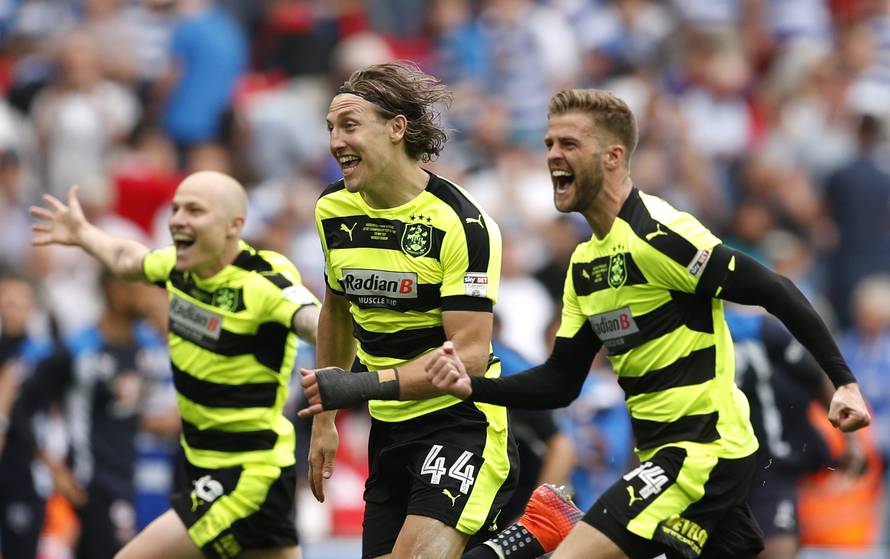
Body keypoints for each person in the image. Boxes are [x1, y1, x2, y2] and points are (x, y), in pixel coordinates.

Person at [420, 89, 871, 559]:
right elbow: (559, 382)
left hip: (701, 453)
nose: (553, 154)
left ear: (613, 156)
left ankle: (554, 526)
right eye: (549, 143)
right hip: (669, 457)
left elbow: (773, 289)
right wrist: (472, 387)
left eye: (569, 144)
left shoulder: (658, 234)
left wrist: (844, 382)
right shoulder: (584, 264)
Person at [30, 170, 320, 559]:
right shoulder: (179, 269)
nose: (178, 219)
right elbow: (127, 258)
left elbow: (316, 324)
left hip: (246, 475)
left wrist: (345, 337)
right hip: (214, 468)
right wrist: (84, 234)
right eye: (176, 209)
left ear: (234, 225)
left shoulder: (263, 283)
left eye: (194, 211)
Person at [298, 62, 520, 559]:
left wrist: (360, 386)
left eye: (349, 126)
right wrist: (324, 421)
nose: (335, 142)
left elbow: (469, 358)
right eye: (331, 128)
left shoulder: (462, 223)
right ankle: (526, 540)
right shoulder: (332, 209)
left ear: (396, 128)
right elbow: (337, 312)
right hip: (389, 430)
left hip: (460, 423)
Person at [11, 271, 177, 559]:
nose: (147, 294)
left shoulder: (149, 349)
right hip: (91, 485)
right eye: (139, 287)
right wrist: (54, 469)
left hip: (140, 483)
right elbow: (21, 408)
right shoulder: (79, 350)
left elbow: (130, 411)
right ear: (117, 293)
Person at [0, 268, 55, 559]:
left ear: (32, 306)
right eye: (5, 301)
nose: (10, 309)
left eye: (17, 302)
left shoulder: (44, 357)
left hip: (24, 468)